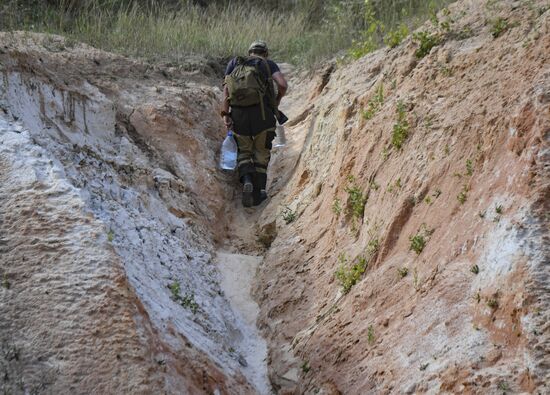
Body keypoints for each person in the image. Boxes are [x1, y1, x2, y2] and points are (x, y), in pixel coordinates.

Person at [221, 40, 288, 207]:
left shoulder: (235, 63)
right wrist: (276, 102)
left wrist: (225, 114)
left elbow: (226, 91)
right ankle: (259, 193)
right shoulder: (267, 64)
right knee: (261, 152)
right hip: (263, 115)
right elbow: (282, 85)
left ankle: (247, 180)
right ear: (265, 53)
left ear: (249, 51)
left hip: (238, 115)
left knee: (243, 151)